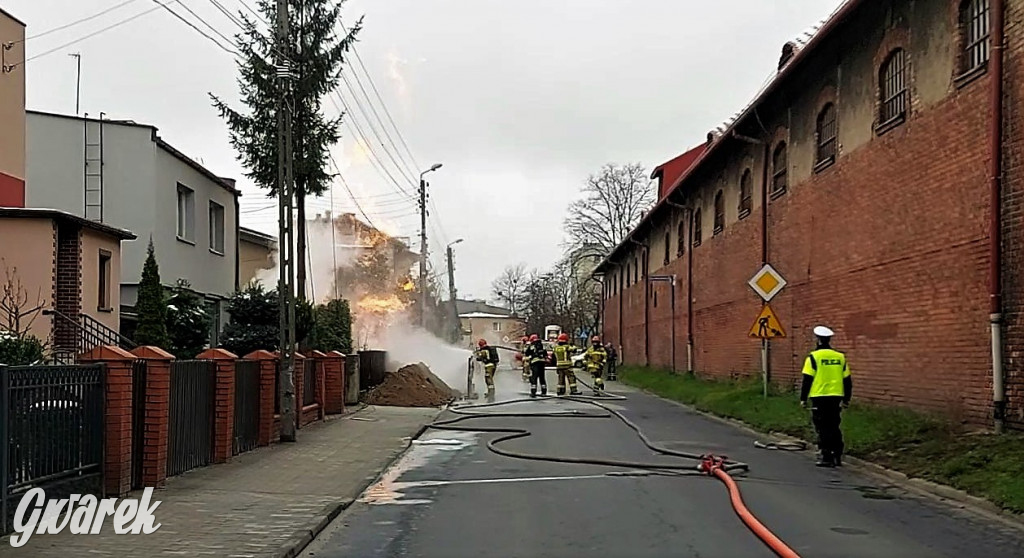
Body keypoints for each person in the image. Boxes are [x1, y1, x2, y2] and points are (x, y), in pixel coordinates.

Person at [800, 325, 853, 468]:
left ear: (817, 340)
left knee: (822, 427)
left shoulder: (813, 357)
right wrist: (847, 399)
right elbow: (847, 380)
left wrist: (803, 398)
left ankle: (826, 456)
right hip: (836, 397)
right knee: (834, 425)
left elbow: (807, 380)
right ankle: (837, 455)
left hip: (819, 397)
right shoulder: (840, 357)